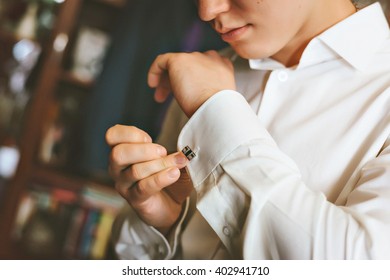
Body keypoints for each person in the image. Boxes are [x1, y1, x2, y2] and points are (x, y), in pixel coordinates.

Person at [106, 0, 390, 259]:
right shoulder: (203, 73)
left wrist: (215, 110)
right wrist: (164, 223)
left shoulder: (206, 94)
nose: (206, 11)